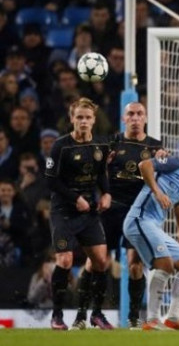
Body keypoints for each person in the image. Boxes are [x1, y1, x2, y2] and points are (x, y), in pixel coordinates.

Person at [74, 102, 162, 329]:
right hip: (108, 210)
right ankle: (82, 316)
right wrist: (103, 165)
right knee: (96, 261)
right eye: (130, 114)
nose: (135, 118)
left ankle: (133, 318)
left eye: (139, 114)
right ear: (124, 118)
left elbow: (161, 181)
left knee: (135, 265)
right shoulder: (110, 143)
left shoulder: (155, 147)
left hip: (137, 213)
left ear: (145, 118)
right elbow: (90, 175)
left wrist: (163, 162)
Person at [123, 134, 179, 331]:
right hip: (139, 219)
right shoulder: (174, 162)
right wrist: (157, 192)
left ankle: (173, 317)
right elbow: (145, 165)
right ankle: (152, 319)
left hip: (154, 225)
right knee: (165, 264)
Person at [45, 97, 112, 330]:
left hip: (89, 211)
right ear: (72, 119)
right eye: (79, 117)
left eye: (88, 117)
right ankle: (57, 316)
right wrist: (75, 198)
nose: (83, 121)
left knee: (102, 261)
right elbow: (51, 181)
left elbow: (102, 173)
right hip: (63, 210)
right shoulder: (60, 146)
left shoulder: (101, 146)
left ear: (93, 120)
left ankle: (96, 314)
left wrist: (106, 194)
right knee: (65, 260)